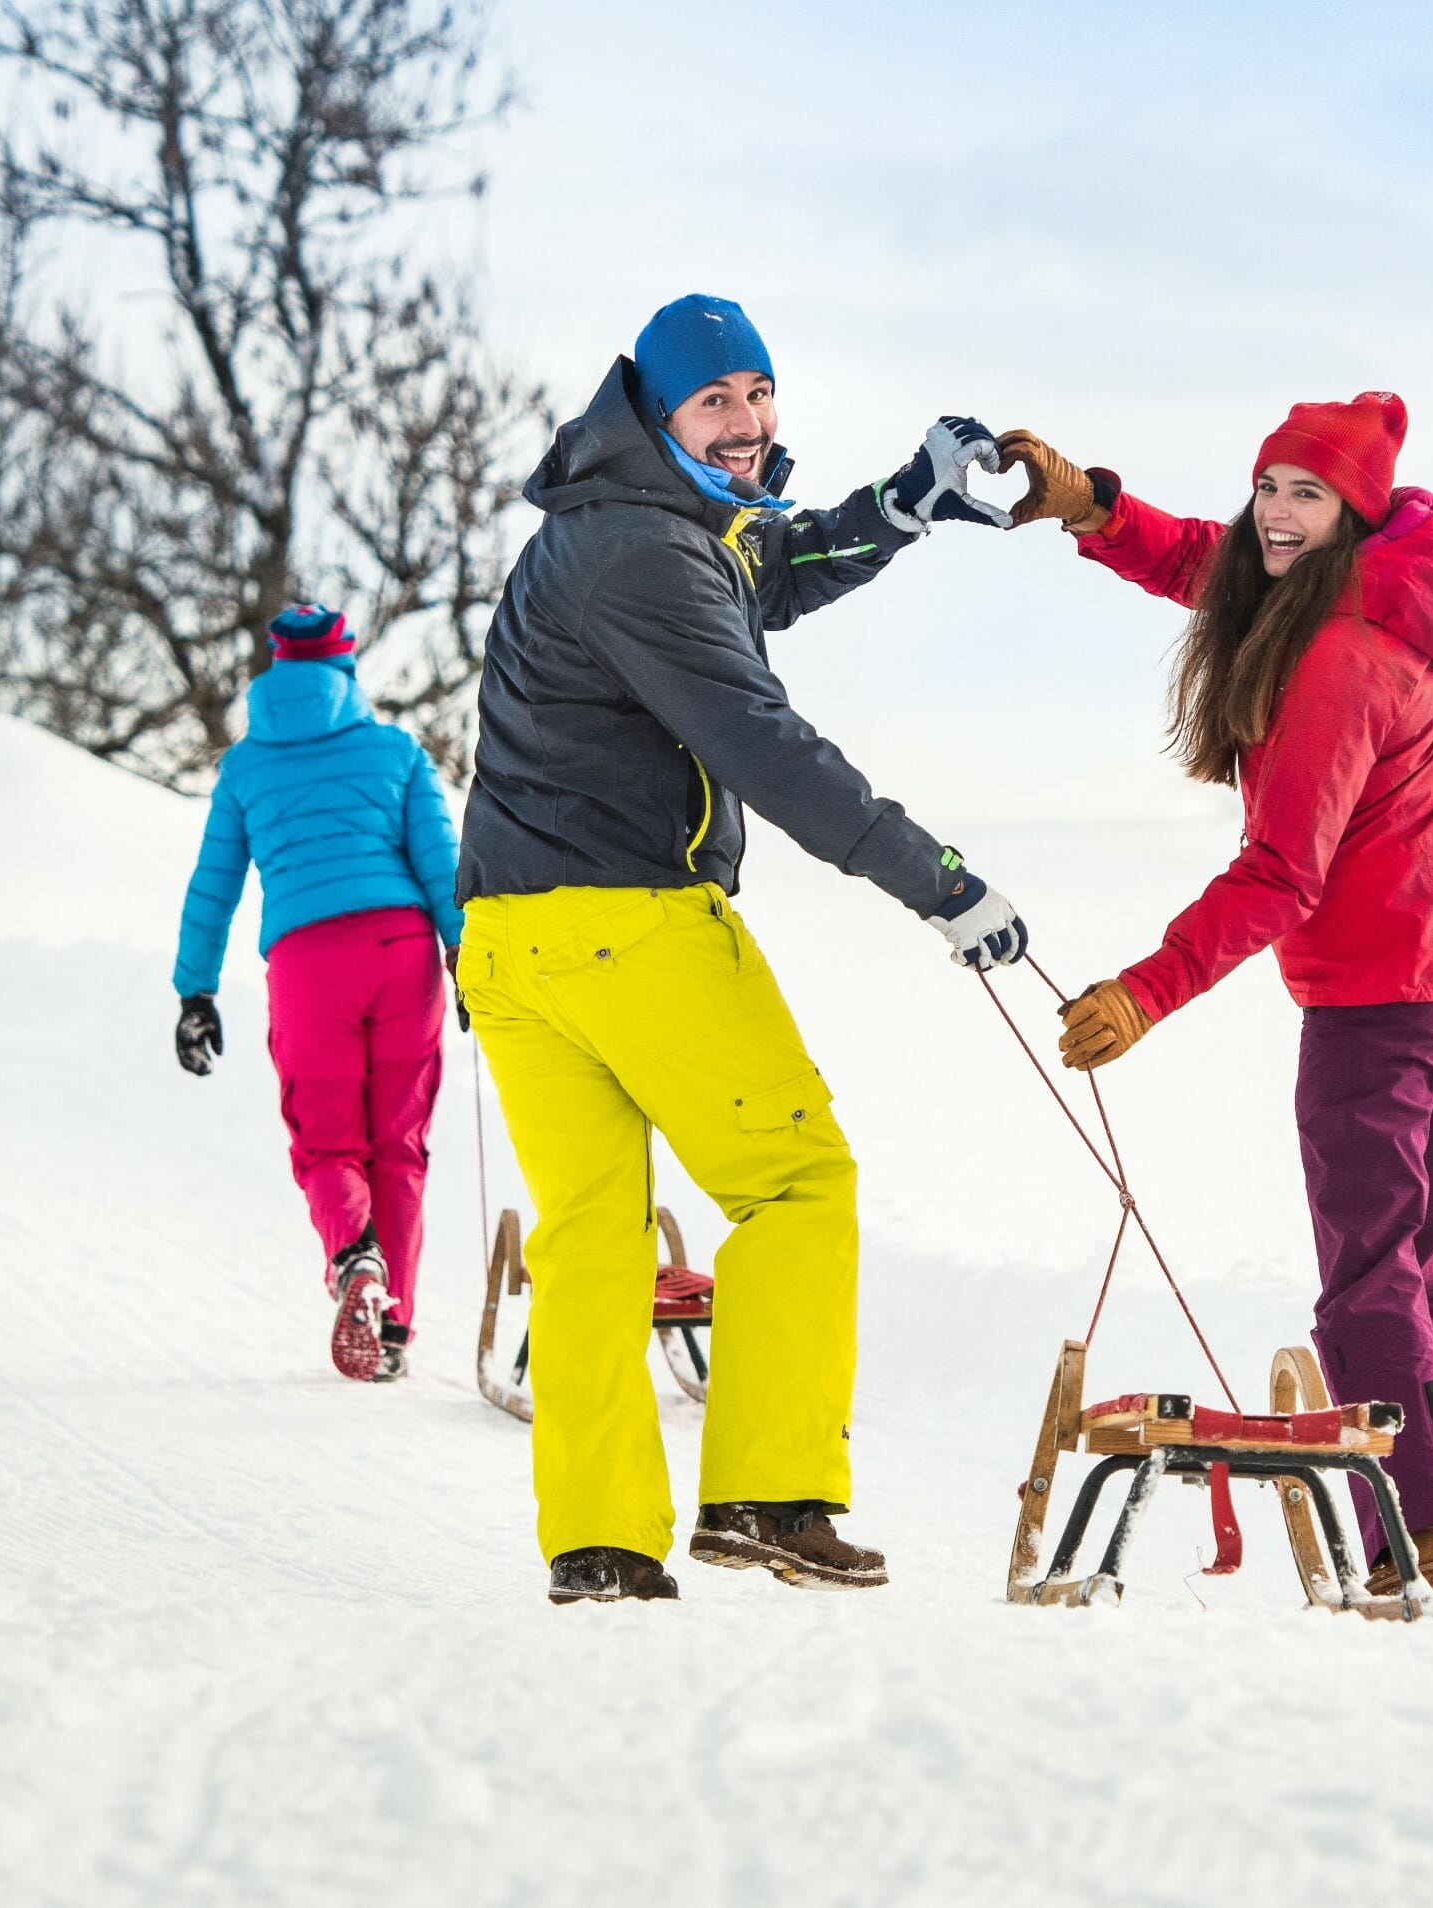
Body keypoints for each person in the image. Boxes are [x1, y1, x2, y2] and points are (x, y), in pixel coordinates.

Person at [456, 294, 1028, 1604]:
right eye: (715, 400)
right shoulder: (645, 555)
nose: (746, 421)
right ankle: (767, 1495)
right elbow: (759, 741)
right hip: (625, 923)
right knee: (796, 1185)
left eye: (758, 393)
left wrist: (903, 503)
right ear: (658, 411)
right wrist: (933, 881)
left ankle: (599, 1543)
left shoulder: (628, 522)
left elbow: (775, 565)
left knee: (591, 1239)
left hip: (507, 939)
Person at [998, 395, 1433, 1620]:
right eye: (1267, 484)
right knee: (1422, 1273)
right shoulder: (1394, 590)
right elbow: (1215, 570)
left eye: (1304, 495)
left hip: (1377, 1009)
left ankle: (1424, 1545)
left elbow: (1280, 873)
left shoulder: (1339, 655)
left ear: (1351, 514)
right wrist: (1096, 510)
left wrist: (1144, 991)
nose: (1272, 512)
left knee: (1368, 1285)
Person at [173, 604, 464, 1384]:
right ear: (345, 667)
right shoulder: (395, 751)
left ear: (275, 667)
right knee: (398, 1145)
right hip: (403, 953)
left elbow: (213, 888)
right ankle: (393, 1328)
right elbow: (443, 863)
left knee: (328, 1143)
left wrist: (195, 991)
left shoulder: (245, 767)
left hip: (308, 964)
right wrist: (467, 954)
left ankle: (353, 1255)